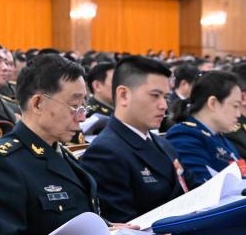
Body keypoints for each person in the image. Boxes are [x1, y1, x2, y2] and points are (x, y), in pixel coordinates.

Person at [0, 54, 102, 235]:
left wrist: (108, 230)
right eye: (74, 106)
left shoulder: (59, 151)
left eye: (83, 106)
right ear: (38, 104)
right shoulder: (0, 164)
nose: (82, 117)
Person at [80, 56, 187, 223]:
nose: (164, 106)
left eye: (166, 97)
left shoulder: (163, 144)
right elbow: (125, 225)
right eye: (155, 96)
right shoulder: (105, 152)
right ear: (124, 95)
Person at [164, 71, 246, 188]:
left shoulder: (219, 137)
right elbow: (202, 187)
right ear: (213, 103)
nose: (238, 114)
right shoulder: (184, 136)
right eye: (235, 106)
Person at [161, 63, 199, 132]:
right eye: (195, 85)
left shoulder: (195, 102)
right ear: (183, 83)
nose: (198, 89)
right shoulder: (168, 105)